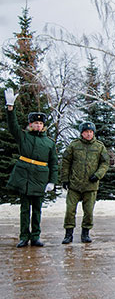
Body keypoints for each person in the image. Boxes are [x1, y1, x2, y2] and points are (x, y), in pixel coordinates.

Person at [4, 88, 58, 248]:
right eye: (35, 123)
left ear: (43, 126)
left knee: (37, 211)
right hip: (25, 177)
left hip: (40, 179)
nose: (38, 125)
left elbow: (54, 163)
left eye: (40, 123)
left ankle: (35, 237)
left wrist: (52, 182)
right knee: (24, 210)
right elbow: (12, 126)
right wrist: (10, 108)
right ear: (31, 124)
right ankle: (23, 237)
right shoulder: (24, 137)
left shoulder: (49, 143)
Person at [60, 121, 109, 244]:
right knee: (70, 210)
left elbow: (105, 163)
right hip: (74, 184)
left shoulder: (99, 146)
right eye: (86, 132)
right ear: (82, 133)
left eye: (91, 132)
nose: (88, 134)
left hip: (90, 185)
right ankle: (68, 234)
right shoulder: (74, 145)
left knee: (88, 211)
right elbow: (66, 162)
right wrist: (65, 179)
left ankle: (85, 233)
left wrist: (98, 175)